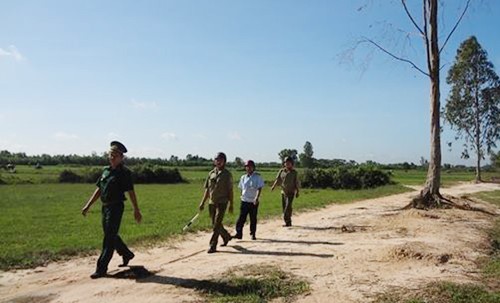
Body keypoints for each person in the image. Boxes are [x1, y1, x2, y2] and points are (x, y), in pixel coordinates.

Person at [81, 141, 142, 279]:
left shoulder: (124, 173)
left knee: (108, 238)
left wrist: (136, 210)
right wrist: (88, 205)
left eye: (115, 155)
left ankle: (101, 268)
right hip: (105, 207)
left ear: (121, 157)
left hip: (116, 207)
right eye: (110, 155)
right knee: (111, 234)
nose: (112, 157)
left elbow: (131, 192)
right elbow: (99, 190)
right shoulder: (106, 171)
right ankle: (126, 253)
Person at [199, 152, 234, 253]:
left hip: (222, 202)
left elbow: (230, 191)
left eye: (220, 160)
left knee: (217, 223)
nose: (218, 161)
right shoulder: (211, 173)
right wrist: (202, 203)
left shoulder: (227, 175)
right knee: (215, 223)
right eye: (216, 159)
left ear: (224, 161)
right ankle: (226, 236)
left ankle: (213, 245)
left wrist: (231, 204)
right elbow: (207, 190)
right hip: (212, 202)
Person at [233, 160, 265, 240]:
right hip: (244, 200)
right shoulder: (243, 177)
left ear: (253, 168)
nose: (248, 168)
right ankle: (239, 233)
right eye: (247, 167)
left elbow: (259, 188)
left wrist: (256, 198)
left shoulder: (257, 177)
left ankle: (252, 233)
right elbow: (241, 188)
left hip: (253, 201)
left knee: (253, 218)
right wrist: (242, 196)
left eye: (250, 167)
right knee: (241, 218)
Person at [271, 156, 299, 227]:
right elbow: (278, 180)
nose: (287, 164)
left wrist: (297, 191)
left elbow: (296, 182)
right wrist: (273, 186)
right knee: (284, 208)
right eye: (286, 163)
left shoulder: (294, 172)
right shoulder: (281, 171)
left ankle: (288, 218)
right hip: (283, 192)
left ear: (292, 164)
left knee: (287, 207)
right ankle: (288, 222)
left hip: (291, 192)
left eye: (289, 163)